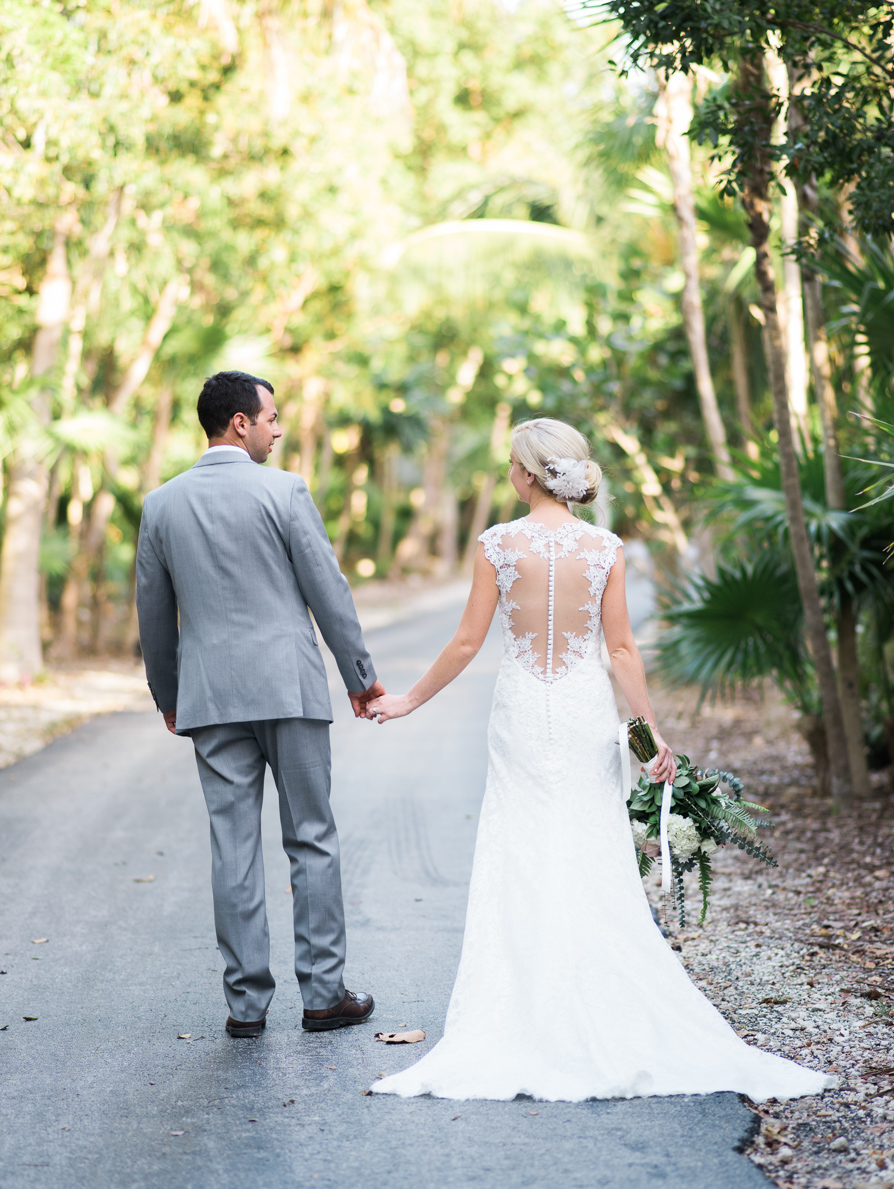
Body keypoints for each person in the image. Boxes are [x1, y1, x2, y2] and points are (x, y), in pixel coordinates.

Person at [366, 417, 833, 1103]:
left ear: (527, 473)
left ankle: (524, 1008)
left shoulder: (497, 544)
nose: (507, 473)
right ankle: (601, 999)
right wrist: (649, 744)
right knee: (589, 850)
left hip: (522, 713)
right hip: (583, 713)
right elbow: (619, 653)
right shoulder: (602, 547)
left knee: (521, 851)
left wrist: (407, 700)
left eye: (510, 464)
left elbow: (467, 644)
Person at [136, 370, 383, 1038]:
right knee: (312, 837)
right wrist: (359, 674)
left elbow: (153, 614)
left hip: (211, 698)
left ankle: (245, 1004)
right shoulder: (285, 491)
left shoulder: (161, 504)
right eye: (271, 416)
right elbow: (327, 589)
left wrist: (169, 694)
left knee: (233, 846)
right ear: (239, 422)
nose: (278, 427)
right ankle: (324, 993)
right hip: (290, 688)